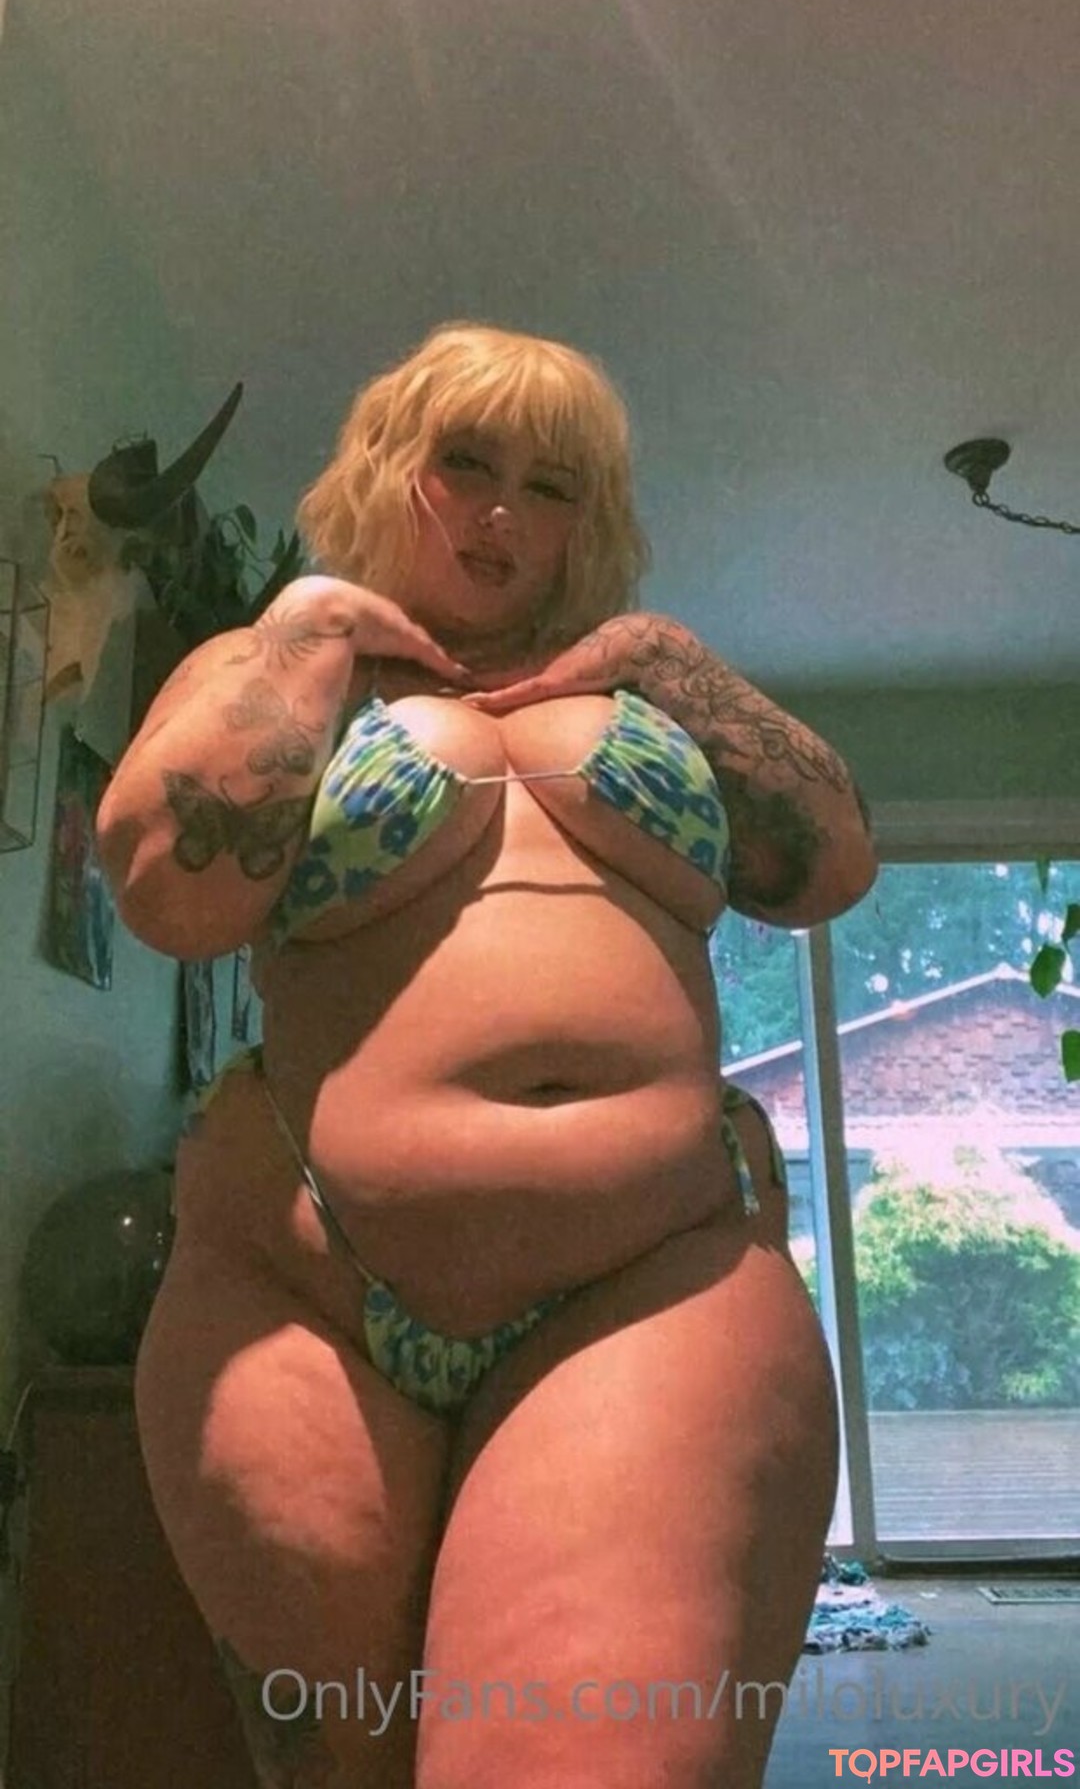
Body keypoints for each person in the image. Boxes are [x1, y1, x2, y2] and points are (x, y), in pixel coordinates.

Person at [96, 320, 878, 1789]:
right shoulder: (281, 665)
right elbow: (163, 888)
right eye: (467, 464)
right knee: (350, 1763)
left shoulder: (647, 693)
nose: (507, 511)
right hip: (306, 1290)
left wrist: (664, 662)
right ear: (390, 467)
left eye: (554, 485)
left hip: (647, 1270)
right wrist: (308, 634)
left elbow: (831, 862)